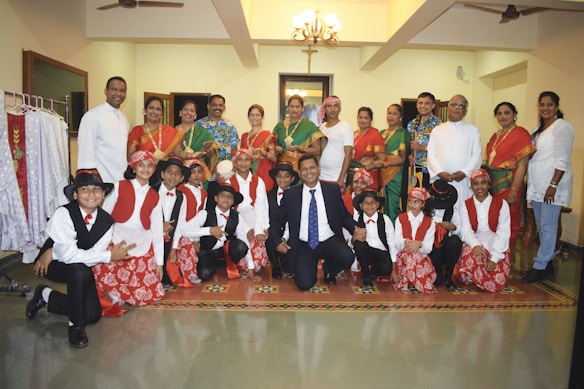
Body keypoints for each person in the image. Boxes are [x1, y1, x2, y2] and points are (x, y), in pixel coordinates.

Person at [26, 169, 134, 348]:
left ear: (103, 194)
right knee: (79, 270)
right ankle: (75, 326)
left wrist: (103, 256)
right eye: (85, 189)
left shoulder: (107, 222)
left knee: (92, 315)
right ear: (75, 194)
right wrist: (109, 255)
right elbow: (68, 256)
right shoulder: (63, 213)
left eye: (96, 189)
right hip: (54, 265)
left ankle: (45, 295)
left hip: (81, 266)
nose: (91, 194)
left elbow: (93, 256)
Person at [93, 151, 165, 316]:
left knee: (148, 294)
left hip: (142, 244)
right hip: (117, 239)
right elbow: (105, 215)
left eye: (149, 165)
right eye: (141, 165)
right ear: (133, 168)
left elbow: (156, 230)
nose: (145, 169)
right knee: (104, 267)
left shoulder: (155, 196)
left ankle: (123, 292)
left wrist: (159, 263)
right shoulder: (119, 186)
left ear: (154, 169)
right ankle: (115, 292)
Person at [270, 155, 356, 291]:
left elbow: (344, 215)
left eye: (312, 167)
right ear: (299, 173)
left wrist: (356, 229)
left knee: (347, 256)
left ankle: (329, 270)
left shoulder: (332, 190)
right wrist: (276, 241)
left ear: (319, 169)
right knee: (304, 284)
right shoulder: (291, 194)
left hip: (328, 239)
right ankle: (307, 268)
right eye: (304, 169)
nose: (308, 171)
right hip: (304, 244)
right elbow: (276, 220)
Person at [524, 91, 574, 283]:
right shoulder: (538, 129)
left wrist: (553, 184)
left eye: (549, 104)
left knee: (548, 226)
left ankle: (540, 265)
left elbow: (563, 159)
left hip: (551, 185)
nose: (545, 108)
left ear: (556, 106)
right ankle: (548, 261)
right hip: (537, 184)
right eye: (542, 104)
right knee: (540, 225)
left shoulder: (562, 127)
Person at [485, 102, 535, 251]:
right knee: (494, 221)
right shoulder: (495, 135)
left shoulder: (521, 134)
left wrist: (513, 191)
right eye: (499, 113)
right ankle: (494, 256)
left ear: (514, 115)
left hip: (509, 185)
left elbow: (521, 166)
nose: (503, 116)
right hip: (493, 186)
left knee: (509, 221)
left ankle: (506, 258)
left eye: (507, 113)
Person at [180, 185, 253, 281]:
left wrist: (251, 267)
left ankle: (227, 262)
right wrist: (209, 230)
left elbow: (243, 238)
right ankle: (214, 263)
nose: (226, 198)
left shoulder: (236, 216)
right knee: (205, 274)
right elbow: (184, 230)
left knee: (241, 246)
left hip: (225, 251)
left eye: (229, 196)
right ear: (216, 198)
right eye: (222, 195)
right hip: (207, 250)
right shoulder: (205, 213)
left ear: (232, 201)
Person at [455, 169, 511, 292]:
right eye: (476, 183)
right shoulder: (465, 205)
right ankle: (475, 276)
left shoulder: (502, 204)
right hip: (474, 240)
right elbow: (465, 230)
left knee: (498, 278)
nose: (480, 187)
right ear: (471, 186)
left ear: (489, 184)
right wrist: (475, 245)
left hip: (496, 243)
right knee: (471, 255)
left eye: (483, 182)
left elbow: (504, 233)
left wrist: (494, 258)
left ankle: (479, 277)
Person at [427, 95, 482, 204]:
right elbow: (431, 154)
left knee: (463, 212)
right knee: (441, 214)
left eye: (461, 106)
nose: (457, 108)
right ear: (448, 108)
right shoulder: (437, 130)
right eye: (454, 105)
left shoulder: (473, 130)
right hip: (441, 180)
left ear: (465, 111)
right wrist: (440, 172)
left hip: (463, 181)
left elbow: (477, 155)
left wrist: (465, 172)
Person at [77, 76, 129, 182]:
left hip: (122, 180)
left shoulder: (124, 119)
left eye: (122, 91)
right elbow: (85, 153)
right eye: (114, 89)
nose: (118, 94)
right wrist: (91, 182)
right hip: (101, 181)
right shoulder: (92, 116)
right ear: (106, 91)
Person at [169, 159, 210, 287]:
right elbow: (180, 219)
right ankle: (189, 273)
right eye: (193, 172)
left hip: (194, 231)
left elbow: (200, 219)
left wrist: (196, 239)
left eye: (199, 171)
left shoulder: (204, 193)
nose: (197, 175)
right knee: (187, 244)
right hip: (180, 231)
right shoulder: (181, 190)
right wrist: (191, 238)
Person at [230, 149, 269, 280]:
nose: (243, 163)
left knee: (257, 241)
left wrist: (259, 229)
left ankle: (253, 266)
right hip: (236, 218)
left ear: (252, 163)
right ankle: (248, 267)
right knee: (243, 243)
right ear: (235, 162)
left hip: (254, 216)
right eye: (240, 159)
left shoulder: (258, 181)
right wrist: (246, 229)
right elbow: (230, 210)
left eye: (247, 160)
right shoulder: (230, 182)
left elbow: (261, 207)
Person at [152, 157, 191, 289]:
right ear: (162, 174)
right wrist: (159, 227)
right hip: (151, 238)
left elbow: (180, 224)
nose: (173, 176)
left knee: (169, 277)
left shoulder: (182, 197)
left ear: (181, 178)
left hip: (169, 240)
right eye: (169, 172)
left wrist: (174, 248)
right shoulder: (152, 192)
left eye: (177, 173)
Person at [393, 187, 437, 293]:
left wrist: (420, 244)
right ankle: (415, 281)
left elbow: (429, 248)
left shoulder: (430, 222)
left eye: (416, 202)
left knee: (415, 254)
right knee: (411, 254)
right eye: (410, 201)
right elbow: (396, 242)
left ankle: (411, 281)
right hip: (403, 258)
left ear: (423, 204)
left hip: (421, 258)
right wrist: (405, 242)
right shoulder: (401, 218)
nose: (412, 205)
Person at [351, 190, 397, 290]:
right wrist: (354, 238)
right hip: (365, 252)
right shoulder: (356, 220)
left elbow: (391, 242)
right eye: (366, 203)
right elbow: (351, 245)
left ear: (377, 204)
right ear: (361, 205)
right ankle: (366, 277)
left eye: (372, 203)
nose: (369, 206)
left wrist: (394, 268)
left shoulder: (385, 219)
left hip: (381, 252)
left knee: (386, 268)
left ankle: (373, 273)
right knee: (359, 244)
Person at [266, 162, 299, 278]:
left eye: (286, 176)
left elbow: (294, 220)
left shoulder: (297, 196)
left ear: (292, 178)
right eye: (279, 176)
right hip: (273, 231)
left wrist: (285, 237)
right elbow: (265, 213)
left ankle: (287, 262)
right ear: (275, 178)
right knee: (269, 240)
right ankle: (275, 266)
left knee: (290, 267)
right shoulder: (268, 195)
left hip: (291, 232)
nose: (282, 179)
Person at [426, 179, 462, 289]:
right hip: (430, 248)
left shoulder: (453, 211)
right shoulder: (425, 209)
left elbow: (460, 230)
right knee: (436, 281)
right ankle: (437, 272)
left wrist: (453, 227)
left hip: (447, 247)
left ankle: (449, 276)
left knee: (455, 241)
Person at [273, 94, 324, 171]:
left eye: (297, 106)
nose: (294, 109)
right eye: (291, 106)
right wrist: (277, 149)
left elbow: (317, 151)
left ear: (302, 108)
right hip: (282, 170)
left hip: (301, 169)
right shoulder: (279, 126)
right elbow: (272, 147)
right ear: (288, 107)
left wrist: (300, 148)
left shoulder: (309, 125)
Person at [127, 96, 182, 161]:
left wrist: (191, 155)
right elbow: (130, 156)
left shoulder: (169, 131)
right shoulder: (137, 131)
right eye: (151, 108)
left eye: (158, 109)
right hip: (144, 169)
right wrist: (148, 161)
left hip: (164, 170)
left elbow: (179, 152)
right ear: (145, 110)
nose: (154, 111)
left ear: (162, 113)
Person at [317, 96, 353, 190]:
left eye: (336, 106)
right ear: (324, 109)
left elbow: (348, 154)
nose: (332, 109)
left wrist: (341, 177)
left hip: (336, 176)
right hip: (321, 176)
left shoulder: (345, 127)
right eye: (329, 106)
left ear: (340, 108)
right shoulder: (322, 127)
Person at [379, 104, 408, 223]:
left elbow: (402, 158)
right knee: (381, 205)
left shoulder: (403, 133)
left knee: (393, 206)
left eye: (394, 113)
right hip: (381, 173)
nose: (391, 116)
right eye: (389, 113)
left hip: (395, 175)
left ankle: (395, 237)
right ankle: (384, 235)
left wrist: (386, 163)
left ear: (400, 116)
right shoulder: (381, 132)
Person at [172, 100, 219, 173]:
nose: (188, 112)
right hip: (177, 172)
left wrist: (208, 150)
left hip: (197, 173)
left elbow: (212, 156)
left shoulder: (202, 132)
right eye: (185, 109)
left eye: (192, 111)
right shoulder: (172, 132)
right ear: (180, 112)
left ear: (195, 115)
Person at [407, 92, 441, 190]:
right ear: (417, 105)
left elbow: (442, 148)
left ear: (433, 105)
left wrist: (422, 147)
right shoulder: (411, 124)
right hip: (415, 169)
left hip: (432, 169)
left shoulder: (439, 124)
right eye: (420, 103)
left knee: (429, 198)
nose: (423, 106)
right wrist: (410, 155)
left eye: (427, 103)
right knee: (415, 197)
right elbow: (409, 145)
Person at [240, 104, 277, 191]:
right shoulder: (244, 136)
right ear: (248, 117)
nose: (254, 117)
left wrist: (263, 153)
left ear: (262, 117)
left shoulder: (268, 135)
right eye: (252, 115)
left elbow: (274, 158)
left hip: (263, 170)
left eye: (257, 115)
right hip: (246, 170)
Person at [350, 107, 386, 191]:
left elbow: (381, 160)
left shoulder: (375, 135)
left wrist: (365, 169)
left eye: (366, 118)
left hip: (368, 176)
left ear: (371, 120)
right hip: (354, 176)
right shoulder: (354, 134)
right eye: (360, 117)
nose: (362, 120)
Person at [195, 94, 239, 162]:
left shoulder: (230, 125)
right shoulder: (199, 125)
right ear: (208, 106)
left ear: (224, 107)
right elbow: (195, 148)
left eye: (220, 105)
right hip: (205, 169)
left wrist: (234, 165)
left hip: (226, 169)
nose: (217, 107)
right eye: (214, 105)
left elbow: (234, 149)